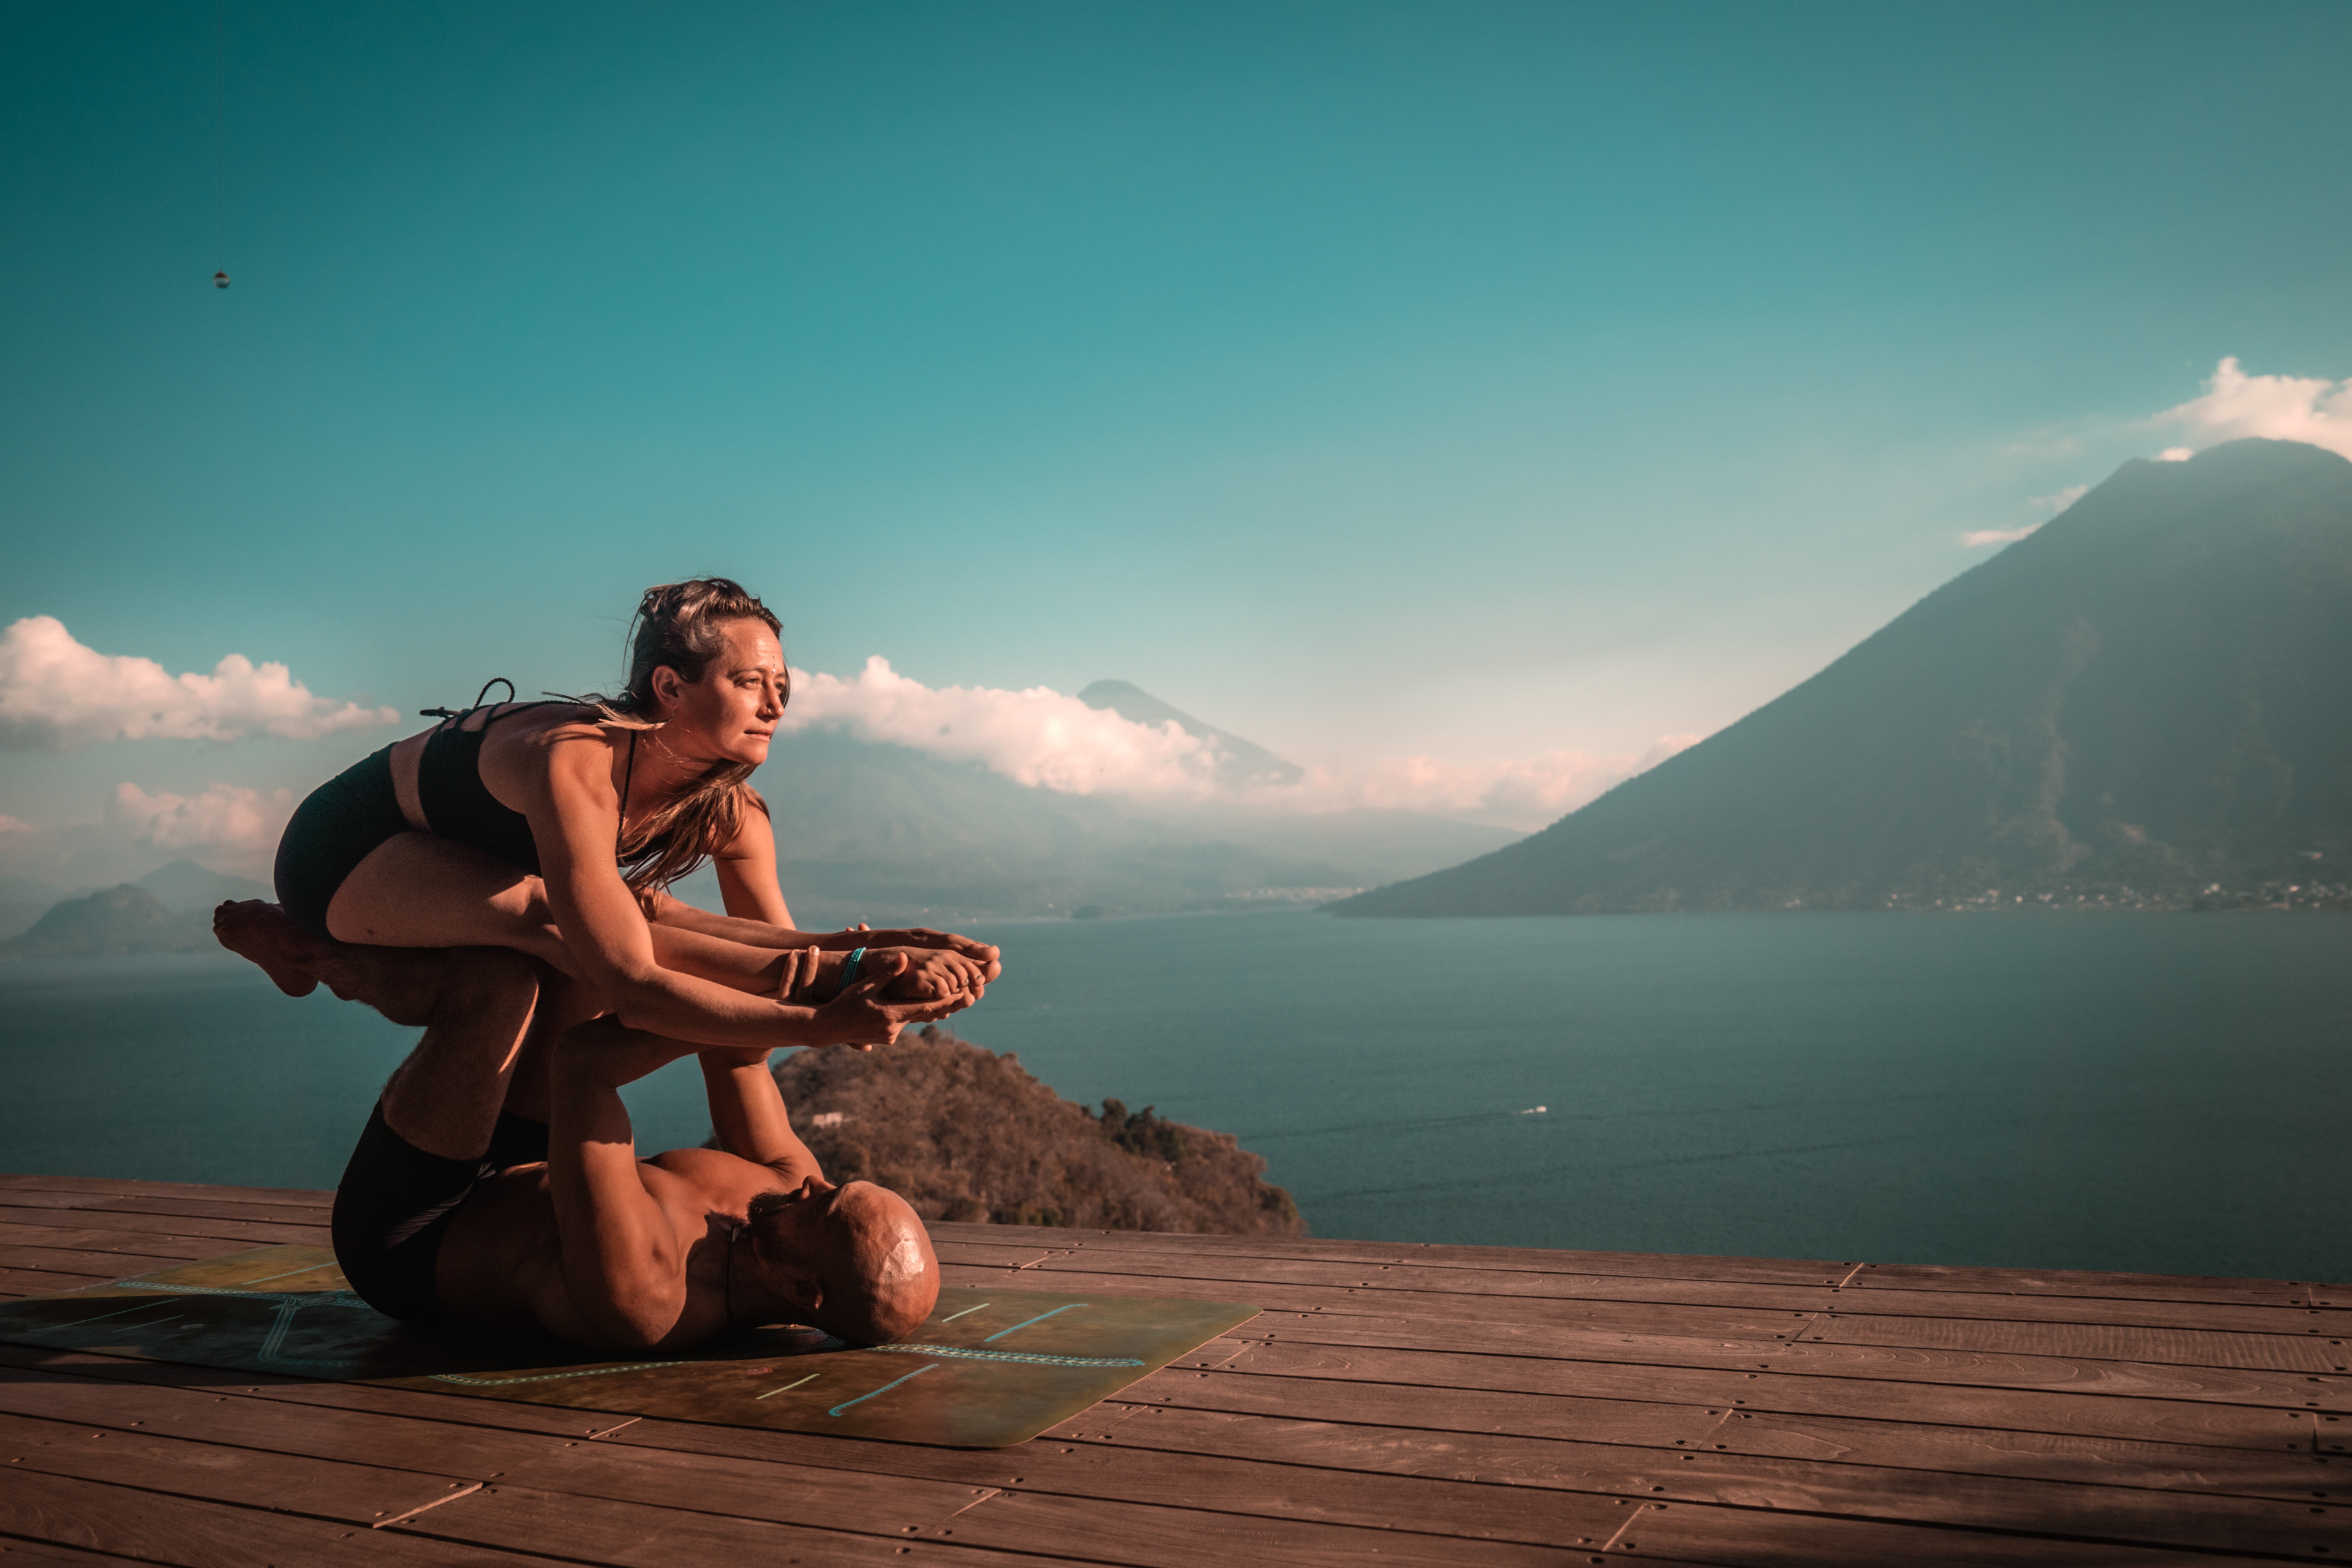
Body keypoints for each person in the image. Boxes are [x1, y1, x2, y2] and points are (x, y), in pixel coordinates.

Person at [262, 576, 1000, 1055]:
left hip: (471, 867)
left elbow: (769, 951)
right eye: (751, 682)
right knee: (549, 919)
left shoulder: (729, 807)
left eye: (783, 684)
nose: (777, 705)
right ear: (670, 688)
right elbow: (628, 983)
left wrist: (882, 944)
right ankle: (312, 950)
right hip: (348, 850)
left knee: (639, 908)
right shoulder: (573, 759)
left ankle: (313, 958)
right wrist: (828, 1011)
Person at [217, 901, 943, 1351]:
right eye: (840, 1183)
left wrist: (815, 1023)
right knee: (588, 956)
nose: (817, 1183)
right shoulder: (785, 1194)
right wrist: (849, 977)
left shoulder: (649, 1291)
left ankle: (310, 956)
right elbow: (738, 1053)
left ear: (802, 1291)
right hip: (535, 1170)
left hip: (417, 1233)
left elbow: (584, 1065)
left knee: (497, 989)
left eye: (829, 1205)